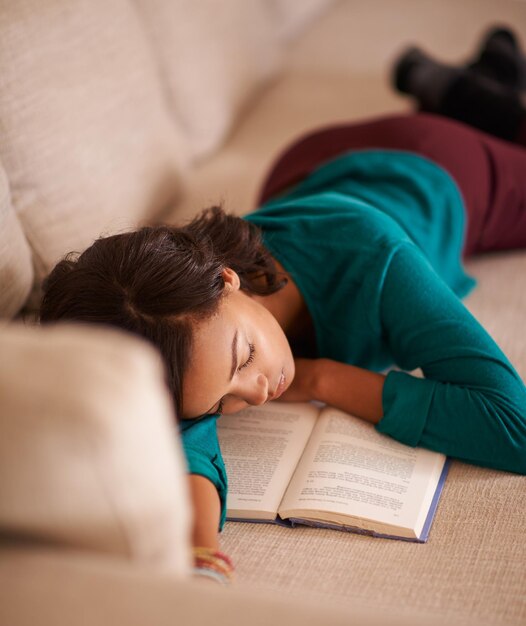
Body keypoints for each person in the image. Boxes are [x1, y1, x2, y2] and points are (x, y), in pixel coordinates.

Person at [39, 26, 526, 584]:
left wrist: (321, 379)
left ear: (226, 279)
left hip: (437, 172)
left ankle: (472, 96)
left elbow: (516, 425)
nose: (255, 396)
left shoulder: (375, 255)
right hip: (309, 166)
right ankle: (475, 79)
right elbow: (188, 437)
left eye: (244, 362)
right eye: (223, 403)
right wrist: (201, 553)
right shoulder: (180, 322)